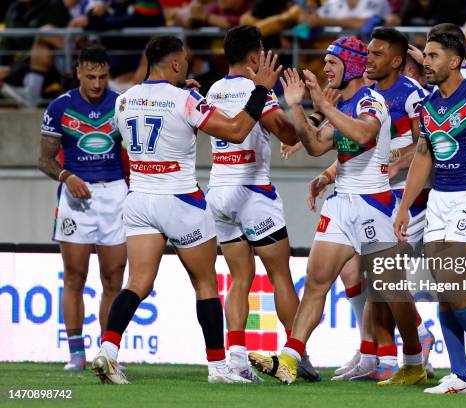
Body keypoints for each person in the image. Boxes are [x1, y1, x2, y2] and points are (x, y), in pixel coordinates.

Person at [90, 35, 282, 385]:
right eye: (186, 61)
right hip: (179, 200)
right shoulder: (187, 98)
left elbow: (123, 137)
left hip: (138, 200)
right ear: (176, 64)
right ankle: (218, 368)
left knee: (137, 282)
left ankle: (108, 350)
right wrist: (261, 91)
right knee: (206, 284)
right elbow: (237, 131)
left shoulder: (125, 99)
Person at [249, 36, 425, 386]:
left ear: (353, 65)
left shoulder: (371, 101)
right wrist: (297, 108)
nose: (325, 68)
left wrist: (324, 107)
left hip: (374, 207)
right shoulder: (341, 104)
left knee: (392, 292)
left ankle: (415, 359)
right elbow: (314, 146)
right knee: (317, 281)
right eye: (325, 61)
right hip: (341, 204)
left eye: (332, 62)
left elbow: (363, 134)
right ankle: (290, 356)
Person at [305, 27, 434, 384]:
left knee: (382, 279)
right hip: (372, 193)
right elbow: (358, 146)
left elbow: (432, 142)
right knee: (357, 275)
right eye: (367, 53)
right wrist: (330, 173)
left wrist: (401, 159)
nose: (368, 59)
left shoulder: (411, 95)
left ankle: (403, 349)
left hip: (408, 199)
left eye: (376, 55)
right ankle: (374, 352)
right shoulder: (368, 96)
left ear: (394, 60)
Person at [205, 25, 320, 383]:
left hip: (218, 193)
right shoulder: (257, 91)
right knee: (279, 276)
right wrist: (294, 105)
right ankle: (297, 355)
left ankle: (236, 357)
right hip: (253, 192)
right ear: (255, 56)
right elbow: (287, 132)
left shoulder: (214, 89)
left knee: (239, 277)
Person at [394, 31, 466, 394]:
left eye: (434, 55)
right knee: (444, 289)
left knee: (455, 285)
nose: (426, 61)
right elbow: (423, 158)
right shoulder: (429, 106)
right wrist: (405, 207)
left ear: (455, 61)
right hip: (439, 199)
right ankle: (458, 374)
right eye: (425, 55)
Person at [38, 45, 127, 371]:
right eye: (91, 76)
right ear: (78, 73)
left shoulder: (121, 104)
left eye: (103, 76)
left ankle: (108, 353)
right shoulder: (59, 107)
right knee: (75, 275)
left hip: (115, 194)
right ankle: (76, 353)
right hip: (75, 198)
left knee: (113, 277)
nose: (97, 83)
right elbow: (43, 159)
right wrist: (66, 175)